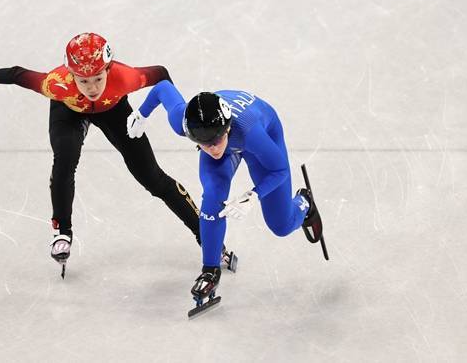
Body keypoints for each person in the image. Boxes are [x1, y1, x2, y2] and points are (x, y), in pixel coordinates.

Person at [0, 32, 201, 272]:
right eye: (83, 80)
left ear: (108, 69)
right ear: (71, 75)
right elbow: (16, 74)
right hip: (68, 110)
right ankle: (62, 232)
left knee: (152, 177)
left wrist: (185, 122)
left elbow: (161, 75)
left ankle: (204, 233)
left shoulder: (126, 77)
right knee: (65, 159)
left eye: (98, 78)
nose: (92, 88)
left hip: (114, 110)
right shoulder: (56, 83)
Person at [127, 82, 323, 308]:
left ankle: (304, 203)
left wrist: (254, 194)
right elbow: (162, 88)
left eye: (216, 140)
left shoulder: (251, 133)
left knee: (281, 225)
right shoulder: (183, 122)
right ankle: (210, 271)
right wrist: (141, 114)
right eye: (204, 144)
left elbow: (278, 170)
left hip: (262, 133)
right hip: (231, 138)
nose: (213, 149)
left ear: (227, 129)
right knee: (212, 198)